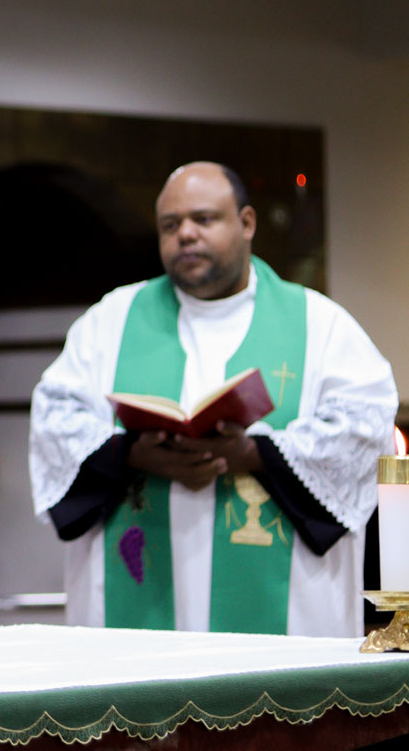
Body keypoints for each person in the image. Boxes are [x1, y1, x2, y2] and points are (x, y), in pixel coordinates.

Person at [30, 162, 396, 637]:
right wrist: (131, 453)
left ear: (246, 223)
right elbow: (54, 419)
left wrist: (254, 453)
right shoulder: (112, 320)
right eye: (170, 224)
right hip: (138, 620)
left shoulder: (319, 325)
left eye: (203, 219)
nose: (185, 234)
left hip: (288, 618)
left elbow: (365, 429)